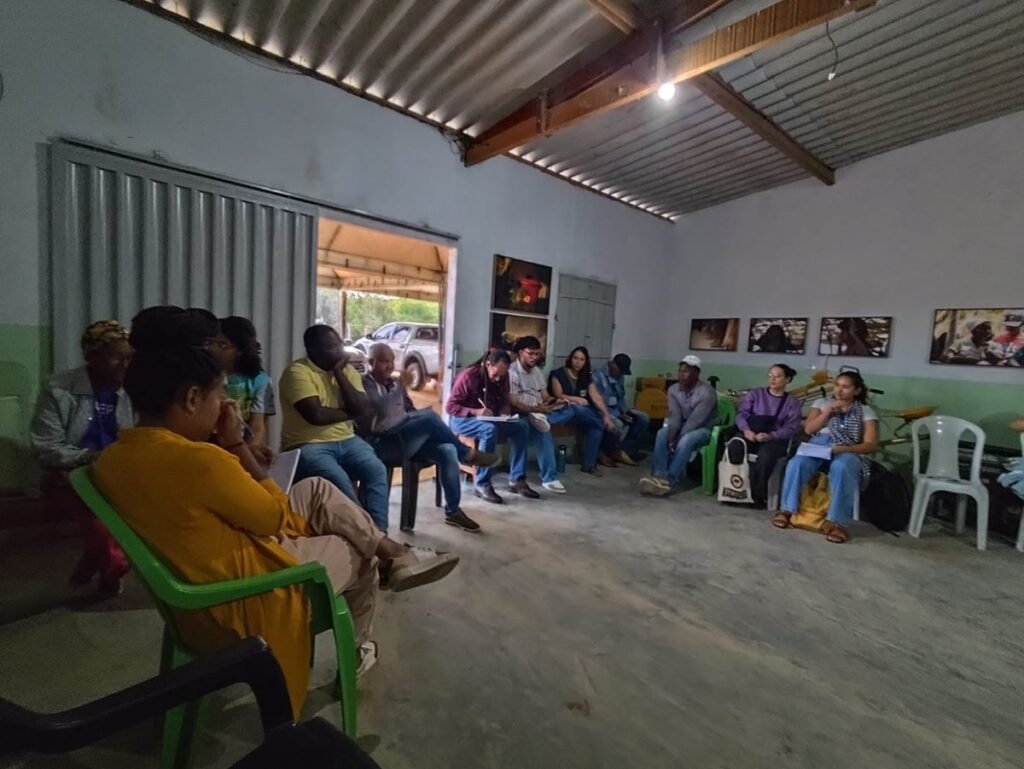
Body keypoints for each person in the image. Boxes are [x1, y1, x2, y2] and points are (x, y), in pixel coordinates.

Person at [93, 313, 458, 719]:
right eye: (219, 399)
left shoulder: (111, 460)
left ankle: (395, 551)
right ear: (192, 399)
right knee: (358, 550)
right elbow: (270, 518)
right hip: (249, 597)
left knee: (317, 490)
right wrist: (235, 446)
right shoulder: (200, 460)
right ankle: (362, 635)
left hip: (193, 591)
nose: (224, 409)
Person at [30, 320, 135, 596]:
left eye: (130, 357)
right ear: (92, 356)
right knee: (102, 526)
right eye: (116, 357)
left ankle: (93, 559)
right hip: (72, 474)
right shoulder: (58, 389)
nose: (125, 364)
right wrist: (91, 457)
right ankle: (110, 566)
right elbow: (46, 447)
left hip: (118, 473)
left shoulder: (132, 390)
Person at [362, 343, 498, 533]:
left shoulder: (395, 383)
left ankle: (453, 512)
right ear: (371, 362)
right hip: (384, 443)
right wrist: (400, 391)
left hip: (406, 436)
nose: (390, 366)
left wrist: (417, 424)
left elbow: (408, 409)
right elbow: (381, 409)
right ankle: (467, 454)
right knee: (431, 418)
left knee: (447, 450)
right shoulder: (363, 384)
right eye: (385, 362)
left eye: (392, 361)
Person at [279, 325, 390, 532]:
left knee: (376, 471)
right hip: (307, 444)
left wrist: (339, 373)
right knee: (340, 481)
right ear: (313, 350)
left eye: (339, 344)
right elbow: (316, 415)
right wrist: (352, 413)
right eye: (332, 347)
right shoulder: (297, 372)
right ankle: (372, 540)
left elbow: (362, 408)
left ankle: (379, 533)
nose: (340, 351)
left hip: (348, 439)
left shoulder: (345, 370)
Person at [772, 370, 879, 543]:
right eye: (837, 385)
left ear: (856, 391)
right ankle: (787, 510)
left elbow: (870, 444)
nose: (840, 390)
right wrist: (827, 412)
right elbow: (808, 430)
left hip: (848, 447)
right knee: (797, 463)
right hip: (819, 444)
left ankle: (837, 522)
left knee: (842, 467)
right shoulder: (822, 403)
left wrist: (844, 448)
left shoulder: (865, 411)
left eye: (845, 387)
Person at [508, 336, 604, 494]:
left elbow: (545, 397)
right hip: (523, 413)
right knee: (541, 431)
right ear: (520, 353)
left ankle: (549, 475)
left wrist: (558, 401)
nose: (534, 358)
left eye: (537, 354)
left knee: (570, 408)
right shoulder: (513, 372)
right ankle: (548, 477)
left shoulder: (537, 371)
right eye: (530, 353)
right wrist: (537, 410)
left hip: (541, 411)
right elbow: (515, 403)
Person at [446, 350, 535, 504]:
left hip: (491, 419)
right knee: (489, 429)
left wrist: (504, 412)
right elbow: (450, 407)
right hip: (463, 420)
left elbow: (506, 400)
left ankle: (517, 479)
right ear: (488, 364)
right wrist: (475, 411)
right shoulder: (468, 376)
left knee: (522, 426)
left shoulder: (504, 376)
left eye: (502, 375)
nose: (498, 378)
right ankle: (482, 483)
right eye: (495, 374)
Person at [639, 356, 718, 496]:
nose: (682, 374)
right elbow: (674, 415)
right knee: (662, 433)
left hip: (704, 428)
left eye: (687, 371)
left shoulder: (707, 392)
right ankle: (658, 475)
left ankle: (669, 480)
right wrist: (671, 437)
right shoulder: (673, 389)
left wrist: (677, 439)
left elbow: (695, 421)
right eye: (680, 370)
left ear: (697, 373)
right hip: (682, 425)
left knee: (686, 439)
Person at [727, 364, 803, 508]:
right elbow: (741, 414)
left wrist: (771, 435)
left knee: (766, 456)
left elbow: (792, 428)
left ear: (787, 379)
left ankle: (757, 496)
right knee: (735, 445)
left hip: (774, 439)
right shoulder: (756, 394)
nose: (773, 379)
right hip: (750, 433)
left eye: (778, 376)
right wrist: (746, 431)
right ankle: (735, 490)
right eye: (770, 375)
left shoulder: (792, 402)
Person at [548, 345, 618, 475]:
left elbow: (596, 396)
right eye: (575, 358)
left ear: (585, 362)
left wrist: (606, 415)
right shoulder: (558, 374)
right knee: (579, 410)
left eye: (581, 359)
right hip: (564, 409)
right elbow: (558, 394)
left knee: (596, 423)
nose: (578, 362)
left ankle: (588, 465)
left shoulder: (586, 376)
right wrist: (576, 399)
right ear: (570, 358)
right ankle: (548, 421)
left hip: (581, 413)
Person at [218, 316, 276, 462]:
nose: (214, 349)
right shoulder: (205, 376)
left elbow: (258, 426)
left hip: (239, 447)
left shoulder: (261, 381)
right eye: (211, 343)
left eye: (222, 344)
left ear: (240, 350)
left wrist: (249, 450)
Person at [592, 353, 649, 466]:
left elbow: (621, 397)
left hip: (618, 411)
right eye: (620, 369)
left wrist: (623, 412)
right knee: (616, 424)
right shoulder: (597, 375)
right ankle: (608, 452)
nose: (621, 373)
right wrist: (614, 415)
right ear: (612, 364)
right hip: (603, 412)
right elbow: (597, 401)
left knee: (643, 418)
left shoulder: (619, 376)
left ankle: (627, 451)